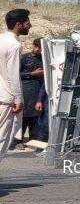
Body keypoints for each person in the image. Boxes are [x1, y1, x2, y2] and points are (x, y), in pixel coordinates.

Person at [0, 9, 33, 163]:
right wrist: (18, 99)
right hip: (6, 98)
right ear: (18, 24)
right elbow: (13, 75)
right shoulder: (14, 44)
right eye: (27, 22)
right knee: (3, 137)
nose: (30, 25)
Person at [19, 37, 45, 144]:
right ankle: (18, 141)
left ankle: (33, 140)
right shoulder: (24, 58)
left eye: (40, 49)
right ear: (33, 46)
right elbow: (16, 75)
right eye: (37, 47)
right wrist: (32, 74)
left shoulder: (44, 59)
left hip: (38, 91)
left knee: (35, 117)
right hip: (24, 91)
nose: (38, 50)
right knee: (22, 116)